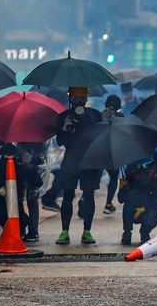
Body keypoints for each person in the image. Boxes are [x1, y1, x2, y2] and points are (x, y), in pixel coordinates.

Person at [55, 87, 103, 245]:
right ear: (70, 98)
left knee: (89, 196)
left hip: (89, 161)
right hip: (71, 161)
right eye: (76, 96)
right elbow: (60, 141)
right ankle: (64, 231)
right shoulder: (63, 116)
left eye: (82, 96)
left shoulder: (94, 115)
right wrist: (65, 129)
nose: (79, 100)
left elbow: (101, 136)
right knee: (68, 196)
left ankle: (87, 231)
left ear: (87, 98)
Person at [118, 154, 157, 244]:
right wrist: (123, 185)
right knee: (127, 205)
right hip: (132, 211)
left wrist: (145, 208)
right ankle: (127, 232)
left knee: (154, 213)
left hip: (149, 212)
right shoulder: (129, 179)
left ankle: (145, 233)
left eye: (146, 167)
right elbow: (120, 199)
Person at [18, 142, 47, 242]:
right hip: (20, 171)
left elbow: (42, 158)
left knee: (32, 200)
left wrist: (32, 160)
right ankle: (22, 227)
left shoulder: (39, 142)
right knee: (17, 200)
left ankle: (33, 231)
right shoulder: (18, 139)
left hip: (33, 172)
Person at [101, 95, 123, 214]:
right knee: (114, 178)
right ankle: (108, 203)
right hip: (113, 153)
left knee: (93, 178)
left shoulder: (100, 116)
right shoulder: (120, 117)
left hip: (98, 151)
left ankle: (84, 202)